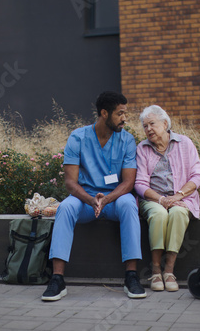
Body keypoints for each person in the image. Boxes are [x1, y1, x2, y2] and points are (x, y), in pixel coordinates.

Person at [41, 91, 147, 301]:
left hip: (115, 199)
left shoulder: (126, 140)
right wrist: (91, 200)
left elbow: (128, 182)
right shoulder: (78, 137)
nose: (124, 118)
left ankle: (131, 276)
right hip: (85, 200)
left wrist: (106, 199)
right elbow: (70, 182)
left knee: (129, 205)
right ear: (104, 113)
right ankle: (57, 279)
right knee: (65, 208)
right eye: (120, 113)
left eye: (125, 113)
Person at [134, 105, 200, 292]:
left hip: (181, 198)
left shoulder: (185, 143)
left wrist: (178, 196)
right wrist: (161, 200)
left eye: (152, 124)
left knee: (179, 213)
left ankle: (169, 270)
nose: (148, 129)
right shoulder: (142, 148)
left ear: (165, 124)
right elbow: (140, 184)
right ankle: (156, 269)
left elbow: (197, 177)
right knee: (159, 214)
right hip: (153, 200)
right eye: (145, 126)